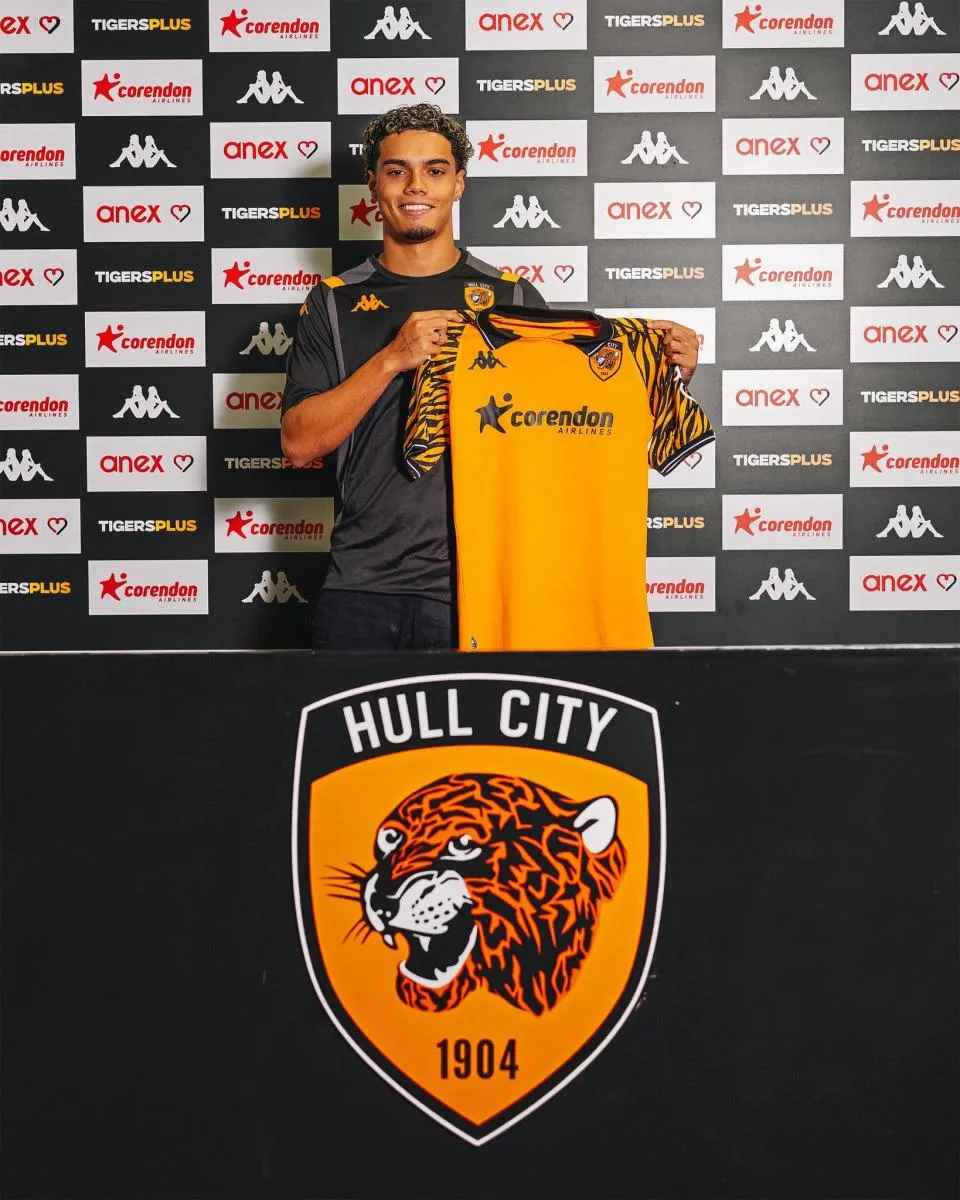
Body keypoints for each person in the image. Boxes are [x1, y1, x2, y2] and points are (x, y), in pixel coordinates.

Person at [281, 104, 700, 651]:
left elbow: (569, 430)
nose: (416, 186)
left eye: (434, 170)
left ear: (458, 183)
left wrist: (663, 374)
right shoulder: (333, 302)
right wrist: (391, 359)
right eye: (397, 170)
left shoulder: (513, 298)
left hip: (486, 588)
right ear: (373, 184)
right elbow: (298, 444)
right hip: (363, 583)